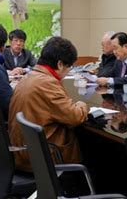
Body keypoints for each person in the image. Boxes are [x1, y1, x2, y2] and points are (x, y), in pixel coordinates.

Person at [8, 36, 89, 172]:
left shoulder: (30, 76)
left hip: (23, 152)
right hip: (44, 156)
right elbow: (75, 116)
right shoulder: (47, 83)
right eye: (69, 67)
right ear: (60, 64)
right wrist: (82, 104)